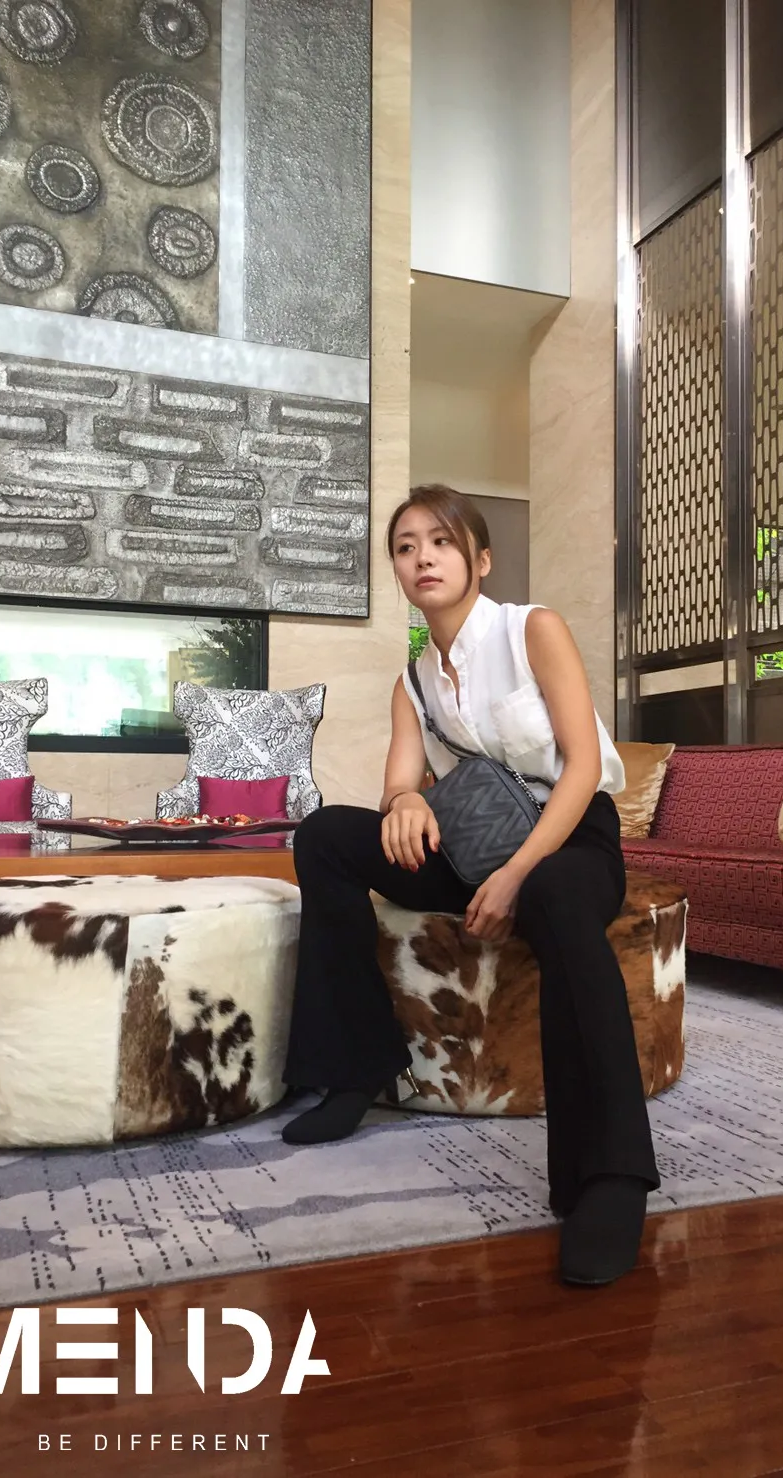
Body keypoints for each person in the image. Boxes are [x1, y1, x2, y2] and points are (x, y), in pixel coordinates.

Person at [281, 483, 659, 1286]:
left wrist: (519, 874)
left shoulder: (532, 630)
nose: (423, 557)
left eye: (441, 541)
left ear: (480, 560)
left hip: (569, 836)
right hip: (473, 848)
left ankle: (610, 1177)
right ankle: (355, 1069)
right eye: (406, 546)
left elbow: (582, 768)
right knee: (324, 838)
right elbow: (397, 784)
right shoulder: (413, 681)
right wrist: (407, 799)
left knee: (556, 895)